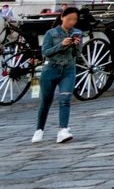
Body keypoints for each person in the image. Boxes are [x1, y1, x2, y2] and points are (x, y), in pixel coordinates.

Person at [32, 7, 85, 144]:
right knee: (46, 102)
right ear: (62, 17)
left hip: (68, 70)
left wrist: (76, 45)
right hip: (50, 70)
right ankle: (39, 129)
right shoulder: (51, 33)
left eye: (75, 20)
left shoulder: (78, 33)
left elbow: (78, 55)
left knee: (65, 99)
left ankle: (63, 130)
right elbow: (45, 52)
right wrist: (61, 45)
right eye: (69, 19)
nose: (72, 22)